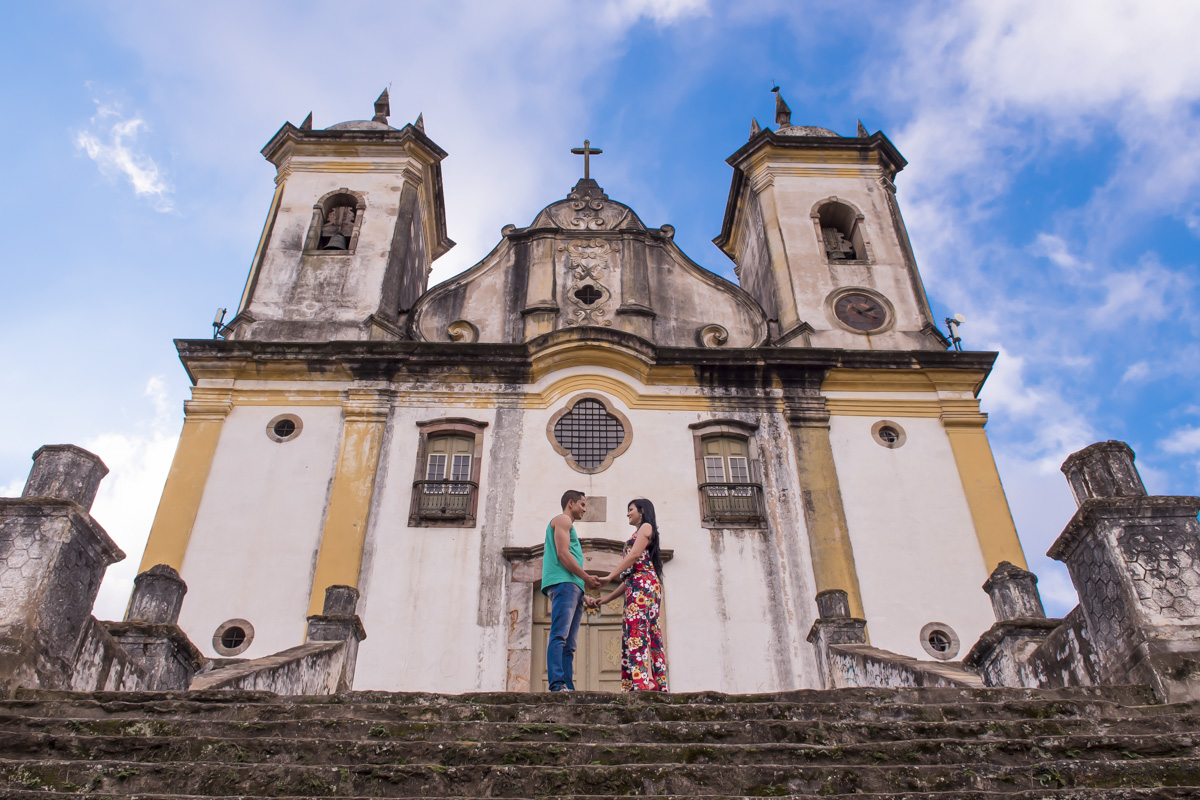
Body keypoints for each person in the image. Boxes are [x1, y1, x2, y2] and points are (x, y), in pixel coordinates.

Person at [586, 498, 668, 692]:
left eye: (630, 509)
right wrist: (604, 599)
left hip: (644, 586)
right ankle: (646, 682)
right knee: (641, 631)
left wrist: (609, 576)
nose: (628, 514)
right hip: (638, 585)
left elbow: (633, 556)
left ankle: (643, 683)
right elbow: (628, 580)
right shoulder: (639, 532)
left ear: (641, 510)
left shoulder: (646, 527)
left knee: (638, 632)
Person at [542, 490, 602, 692]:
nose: (585, 509)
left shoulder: (568, 524)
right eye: (582, 504)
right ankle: (557, 684)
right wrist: (585, 577)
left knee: (569, 643)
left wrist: (582, 593)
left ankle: (567, 685)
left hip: (571, 586)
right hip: (564, 584)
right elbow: (562, 554)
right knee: (559, 636)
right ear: (571, 503)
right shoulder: (562, 520)